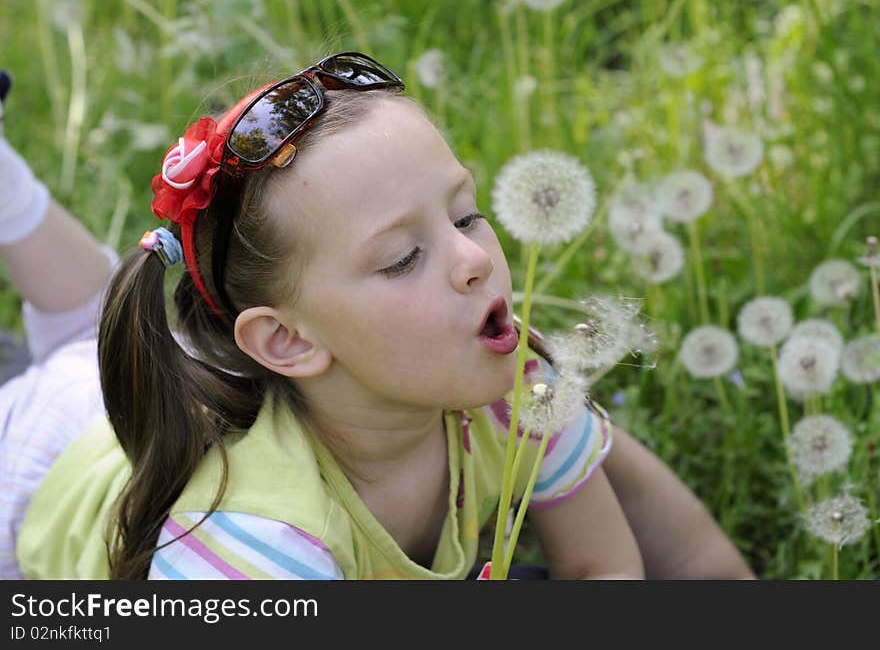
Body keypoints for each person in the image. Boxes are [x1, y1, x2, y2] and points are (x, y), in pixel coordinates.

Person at [0, 56, 755, 580]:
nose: (474, 258)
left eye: (467, 214)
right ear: (289, 339)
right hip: (26, 474)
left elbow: (601, 564)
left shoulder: (519, 392)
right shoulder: (262, 542)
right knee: (77, 344)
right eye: (402, 258)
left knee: (88, 321)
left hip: (157, 388)